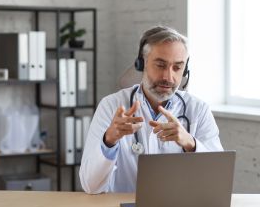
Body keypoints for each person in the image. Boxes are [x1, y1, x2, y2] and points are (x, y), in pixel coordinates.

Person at [79, 26, 223, 194]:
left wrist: (191, 143)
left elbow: (218, 182)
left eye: (177, 67)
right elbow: (90, 186)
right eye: (160, 65)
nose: (168, 77)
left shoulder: (198, 110)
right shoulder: (111, 106)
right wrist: (109, 140)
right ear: (142, 64)